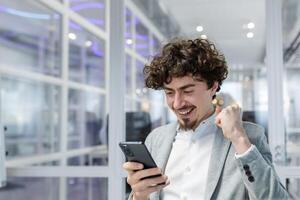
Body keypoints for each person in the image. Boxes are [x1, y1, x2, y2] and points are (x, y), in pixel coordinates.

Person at [122, 38, 289, 200]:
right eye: (169, 93)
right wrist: (139, 196)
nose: (177, 103)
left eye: (187, 91)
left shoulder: (249, 135)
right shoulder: (156, 139)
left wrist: (239, 139)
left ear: (213, 86)